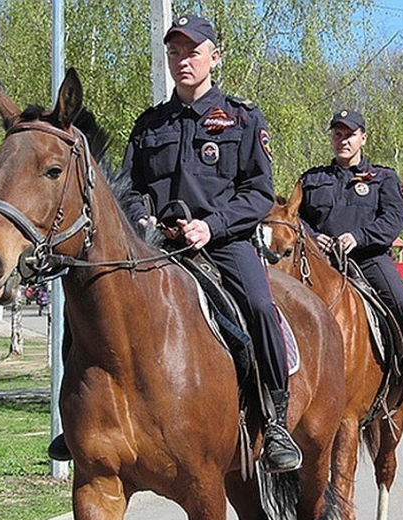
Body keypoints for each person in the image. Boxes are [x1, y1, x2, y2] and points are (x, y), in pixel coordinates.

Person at [50, 15, 301, 472]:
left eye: (192, 51)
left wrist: (213, 225)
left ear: (213, 57)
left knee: (262, 308)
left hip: (223, 243)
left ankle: (275, 417)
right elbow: (130, 186)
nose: (182, 60)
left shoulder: (242, 118)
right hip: (157, 243)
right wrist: (142, 215)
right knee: (86, 303)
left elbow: (260, 192)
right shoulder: (150, 124)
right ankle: (78, 417)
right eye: (175, 51)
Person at [297, 109, 403, 410]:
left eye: (349, 134)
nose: (343, 140)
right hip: (322, 262)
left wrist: (358, 237)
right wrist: (312, 236)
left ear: (363, 138)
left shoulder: (383, 178)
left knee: (402, 305)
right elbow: (293, 217)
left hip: (369, 259)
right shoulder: (312, 179)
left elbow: (393, 220)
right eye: (337, 134)